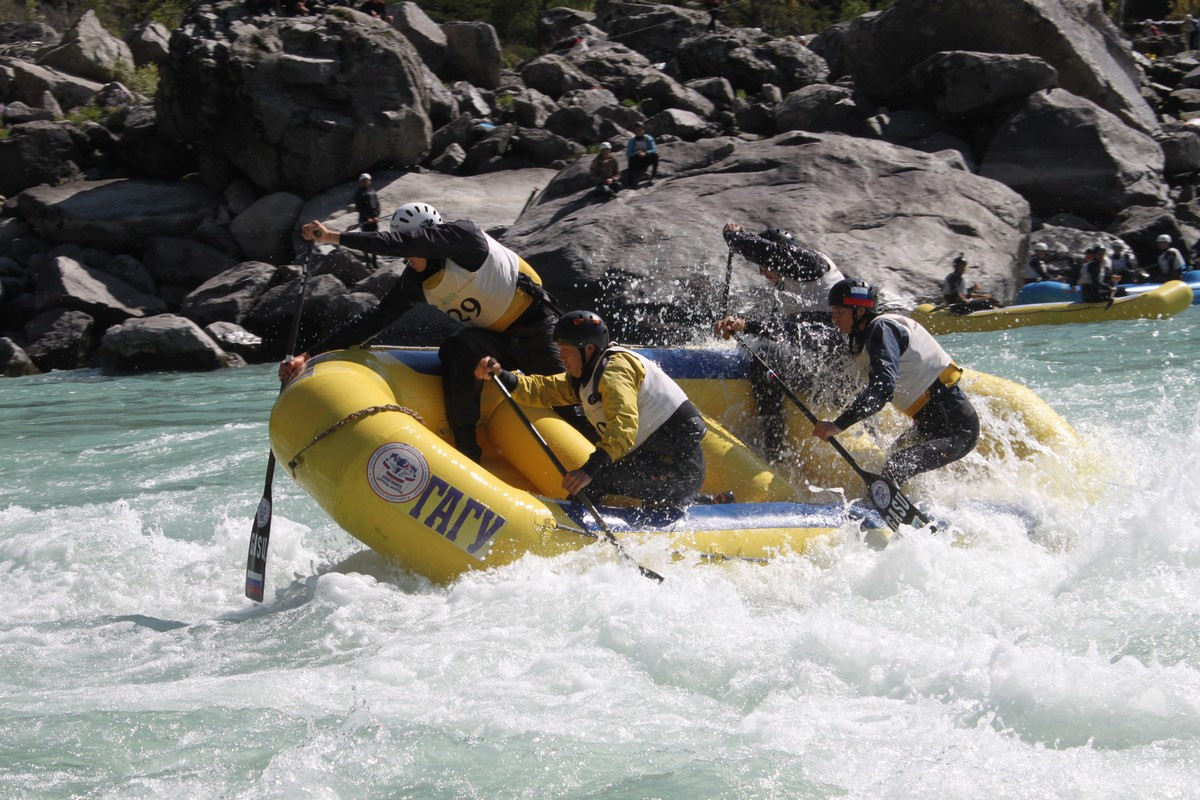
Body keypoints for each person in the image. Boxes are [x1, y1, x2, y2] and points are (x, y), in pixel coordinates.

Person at [280, 202, 569, 463]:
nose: (411, 255)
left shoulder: (464, 238)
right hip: (496, 342)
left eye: (413, 246)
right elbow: (372, 321)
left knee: (568, 401)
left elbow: (409, 241)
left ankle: (604, 471)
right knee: (459, 348)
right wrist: (308, 355)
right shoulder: (413, 283)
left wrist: (332, 237)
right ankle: (468, 452)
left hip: (536, 330)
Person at [474, 311, 707, 514]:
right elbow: (543, 390)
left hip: (680, 469)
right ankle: (702, 500)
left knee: (594, 480)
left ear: (589, 349)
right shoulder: (585, 373)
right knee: (598, 479)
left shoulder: (615, 372)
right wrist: (501, 374)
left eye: (566, 350)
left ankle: (570, 535)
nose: (561, 356)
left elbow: (623, 426)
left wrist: (589, 470)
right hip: (653, 460)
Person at [811, 279, 979, 489]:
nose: (833, 317)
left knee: (895, 465)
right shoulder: (863, 338)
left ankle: (886, 516)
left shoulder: (881, 328)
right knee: (891, 458)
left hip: (956, 428)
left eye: (840, 311)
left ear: (860, 312)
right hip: (927, 425)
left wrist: (837, 425)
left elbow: (882, 388)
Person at [713, 223, 846, 461]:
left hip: (836, 377)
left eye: (764, 266)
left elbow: (768, 252)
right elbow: (780, 333)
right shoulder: (792, 288)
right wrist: (738, 329)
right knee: (760, 348)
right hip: (824, 370)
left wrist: (735, 236)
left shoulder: (812, 265)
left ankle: (774, 449)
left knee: (765, 357)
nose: (762, 272)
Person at [353, 173, 381, 268]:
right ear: (360, 182)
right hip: (365, 220)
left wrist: (376, 215)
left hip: (374, 220)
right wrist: (367, 217)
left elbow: (377, 205)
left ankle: (374, 262)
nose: (366, 182)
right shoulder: (358, 193)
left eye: (367, 180)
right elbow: (359, 208)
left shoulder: (373, 192)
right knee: (365, 241)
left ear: (370, 181)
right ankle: (368, 262)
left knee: (375, 240)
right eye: (363, 180)